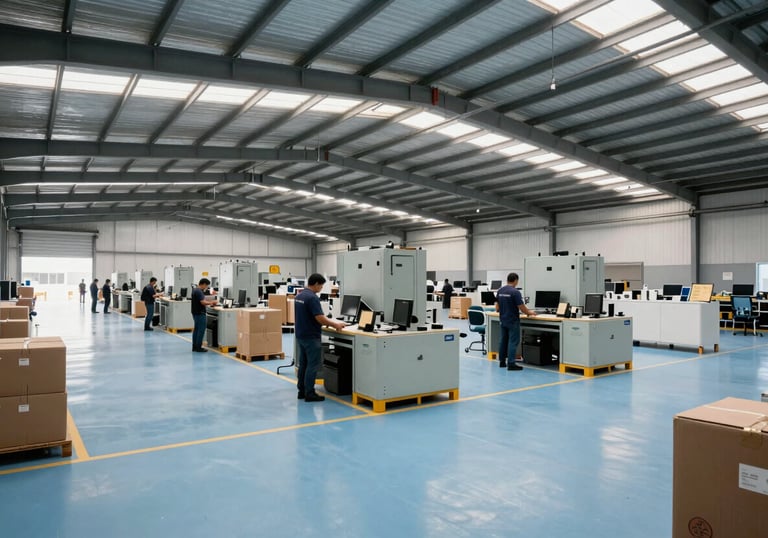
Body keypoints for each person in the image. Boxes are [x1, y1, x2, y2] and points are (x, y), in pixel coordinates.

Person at [294, 273, 346, 402]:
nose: (321, 288)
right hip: (311, 336)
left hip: (301, 335)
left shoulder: (299, 296)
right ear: (316, 284)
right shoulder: (312, 298)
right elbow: (320, 318)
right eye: (321, 286)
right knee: (312, 365)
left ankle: (301, 390)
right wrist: (335, 324)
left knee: (304, 364)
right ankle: (310, 393)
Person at [496, 272, 535, 371]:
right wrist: (530, 313)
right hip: (512, 320)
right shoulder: (515, 292)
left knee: (503, 341)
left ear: (507, 280)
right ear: (516, 281)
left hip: (503, 319)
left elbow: (497, 308)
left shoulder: (500, 291)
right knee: (513, 342)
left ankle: (502, 362)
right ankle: (511, 364)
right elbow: (522, 308)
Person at [191, 278, 217, 352]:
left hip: (195, 313)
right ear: (204, 284)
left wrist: (209, 301)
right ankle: (199, 347)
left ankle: (195, 346)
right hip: (200, 313)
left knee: (196, 330)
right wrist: (211, 303)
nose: (206, 288)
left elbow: (201, 300)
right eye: (206, 286)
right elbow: (202, 302)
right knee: (201, 330)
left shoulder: (195, 290)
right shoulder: (199, 291)